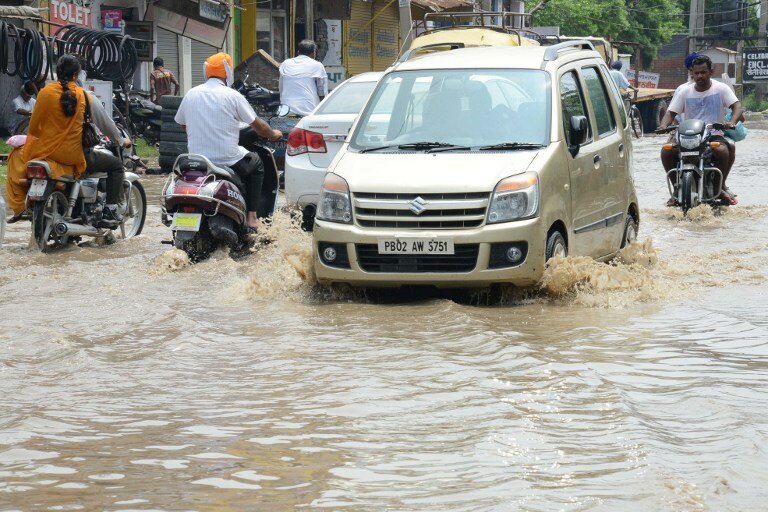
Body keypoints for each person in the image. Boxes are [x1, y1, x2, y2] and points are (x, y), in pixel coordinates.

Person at [17, 54, 130, 226]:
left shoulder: (44, 93)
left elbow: (33, 128)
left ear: (57, 72)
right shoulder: (85, 96)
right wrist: (121, 141)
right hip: (74, 156)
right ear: (76, 76)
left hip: (45, 154)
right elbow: (106, 125)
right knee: (116, 165)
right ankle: (110, 211)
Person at [174, 52, 282, 233]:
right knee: (257, 163)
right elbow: (259, 126)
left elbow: (183, 124)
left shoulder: (191, 94)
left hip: (196, 161)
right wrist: (274, 134)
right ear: (227, 72)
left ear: (205, 71)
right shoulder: (232, 96)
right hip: (228, 160)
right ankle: (252, 216)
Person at [657, 54, 743, 206]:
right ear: (691, 73)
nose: (699, 76)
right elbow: (671, 113)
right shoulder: (684, 91)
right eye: (696, 73)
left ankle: (719, 188)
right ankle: (677, 189)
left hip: (713, 134)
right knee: (666, 151)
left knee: (723, 150)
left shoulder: (721, 88)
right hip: (687, 135)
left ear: (711, 71)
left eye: (703, 72)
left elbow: (736, 106)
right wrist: (663, 125)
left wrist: (730, 122)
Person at [278, 40, 329, 116]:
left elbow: (281, 88)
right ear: (313, 53)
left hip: (286, 110)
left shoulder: (286, 63)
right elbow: (322, 92)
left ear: (298, 52)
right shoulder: (317, 65)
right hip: (309, 111)